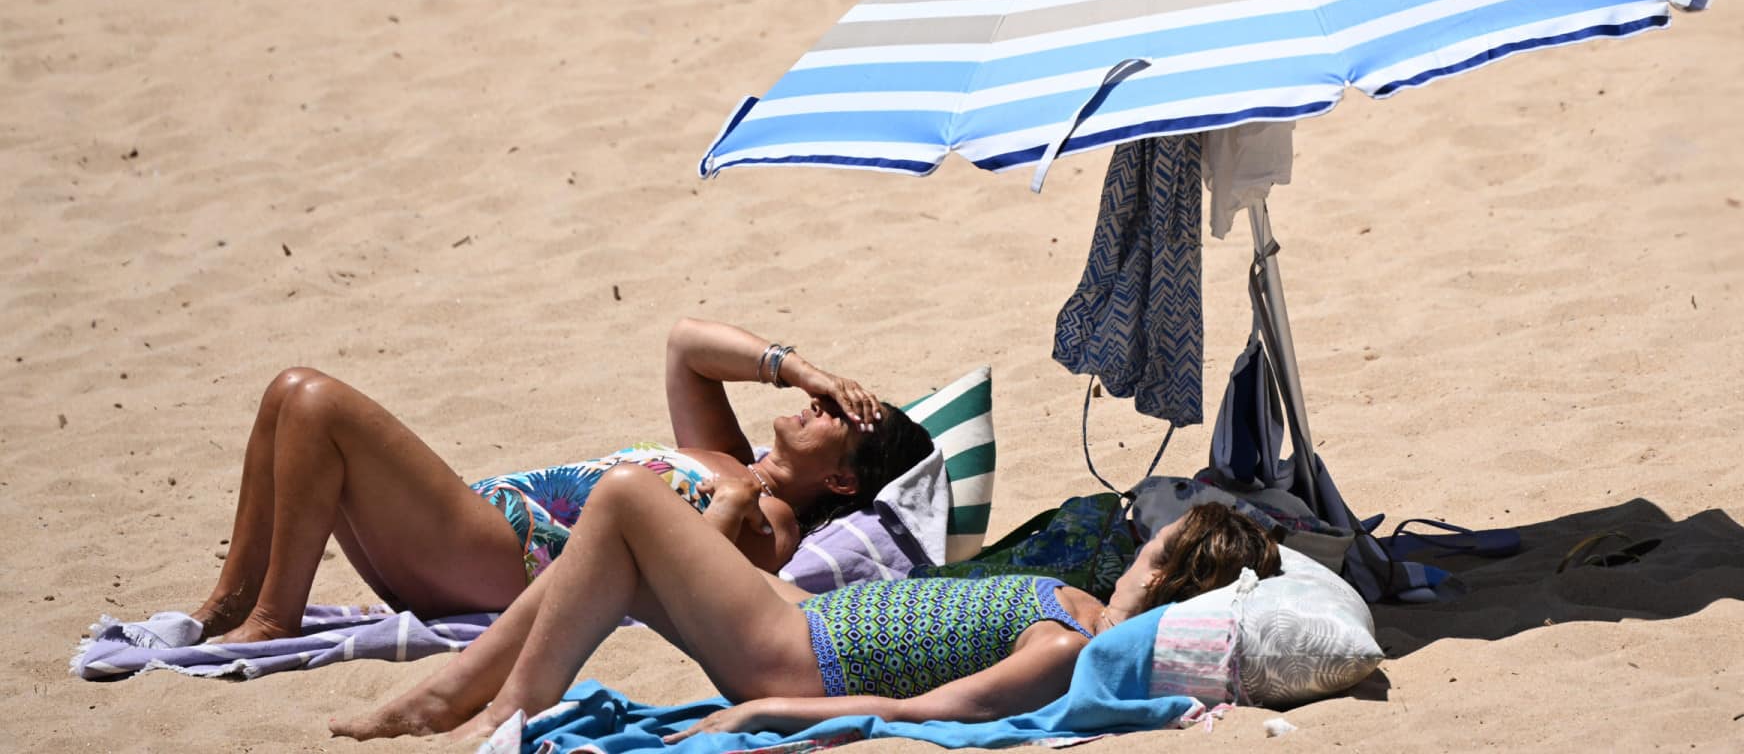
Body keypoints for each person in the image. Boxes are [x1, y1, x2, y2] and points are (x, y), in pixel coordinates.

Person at [328, 469, 1281, 742]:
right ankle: (460, 692)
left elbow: (928, 713)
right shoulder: (1077, 606)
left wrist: (766, 712)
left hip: (794, 656)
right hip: (806, 618)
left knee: (625, 500)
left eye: (1154, 544)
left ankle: (496, 707)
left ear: (1162, 574)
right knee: (618, 550)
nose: (1139, 546)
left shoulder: (1072, 647)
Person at [179, 317, 934, 644]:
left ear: (843, 482)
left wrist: (733, 505)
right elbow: (686, 345)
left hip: (503, 560)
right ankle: (229, 602)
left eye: (840, 414)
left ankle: (273, 617)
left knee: (312, 398)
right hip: (471, 532)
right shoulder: (725, 455)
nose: (820, 403)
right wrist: (798, 367)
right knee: (286, 399)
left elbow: (698, 586)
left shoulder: (773, 519)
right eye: (829, 395)